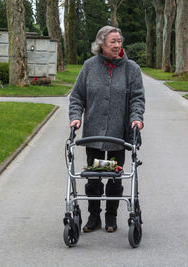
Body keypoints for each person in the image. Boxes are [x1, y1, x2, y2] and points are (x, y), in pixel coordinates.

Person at [69, 26, 145, 233]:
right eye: (113, 41)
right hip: (93, 135)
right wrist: (75, 118)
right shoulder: (88, 67)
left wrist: (137, 119)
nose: (118, 45)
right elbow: (77, 97)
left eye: (119, 41)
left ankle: (111, 217)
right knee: (93, 178)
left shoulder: (132, 69)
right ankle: (94, 217)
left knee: (113, 177)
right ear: (101, 44)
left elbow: (138, 99)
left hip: (117, 135)